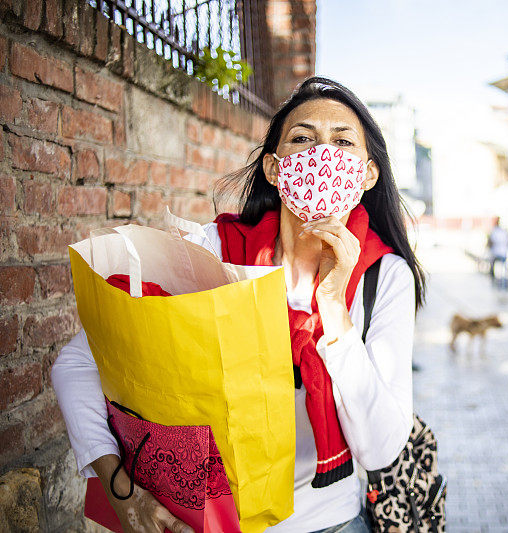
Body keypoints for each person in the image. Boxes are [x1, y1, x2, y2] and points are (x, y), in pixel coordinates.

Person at [51, 77, 427, 533]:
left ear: (368, 174)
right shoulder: (213, 251)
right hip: (214, 522)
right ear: (273, 167)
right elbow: (77, 363)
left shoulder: (383, 278)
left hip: (332, 521)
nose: (321, 155)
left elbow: (381, 449)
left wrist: (334, 309)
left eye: (343, 142)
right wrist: (121, 490)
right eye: (302, 138)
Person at [486, 217, 508, 289]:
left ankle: (495, 282)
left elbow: (490, 242)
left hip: (496, 253)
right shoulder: (503, 231)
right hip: (503, 252)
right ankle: (505, 283)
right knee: (504, 269)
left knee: (495, 268)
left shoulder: (494, 231)